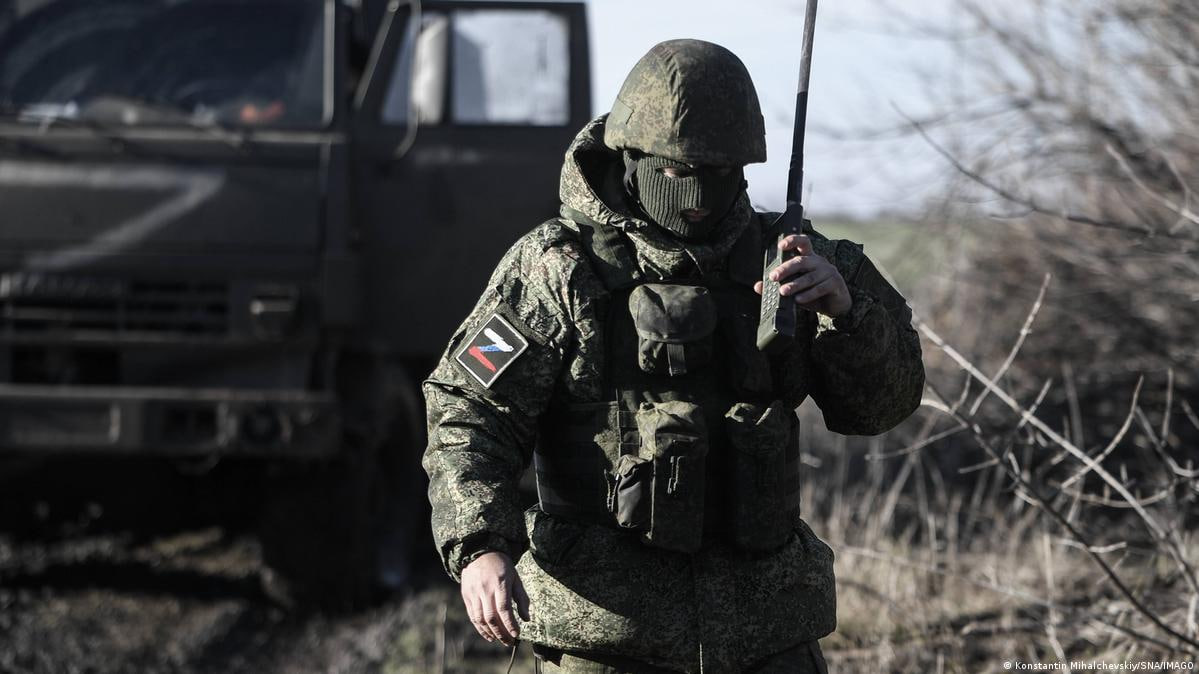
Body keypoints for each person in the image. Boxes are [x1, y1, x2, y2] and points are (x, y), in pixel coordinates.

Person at [422, 39, 925, 673]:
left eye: (722, 172)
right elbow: (469, 411)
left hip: (768, 634)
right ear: (632, 158)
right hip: (604, 635)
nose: (700, 195)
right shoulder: (555, 268)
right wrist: (479, 547)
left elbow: (885, 406)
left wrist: (849, 317)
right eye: (681, 173)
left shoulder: (798, 261)